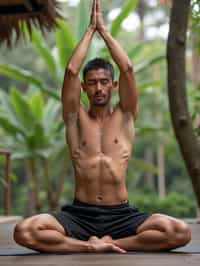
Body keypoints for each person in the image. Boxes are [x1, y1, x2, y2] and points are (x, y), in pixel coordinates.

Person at [14, 0, 191, 254]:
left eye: (104, 82)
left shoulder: (126, 116)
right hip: (80, 214)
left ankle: (111, 243)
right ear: (84, 88)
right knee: (24, 231)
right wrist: (89, 30)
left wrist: (104, 32)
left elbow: (128, 69)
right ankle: (87, 247)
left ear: (113, 85)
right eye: (93, 83)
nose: (99, 88)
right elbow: (71, 71)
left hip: (121, 214)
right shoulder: (75, 118)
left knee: (179, 232)